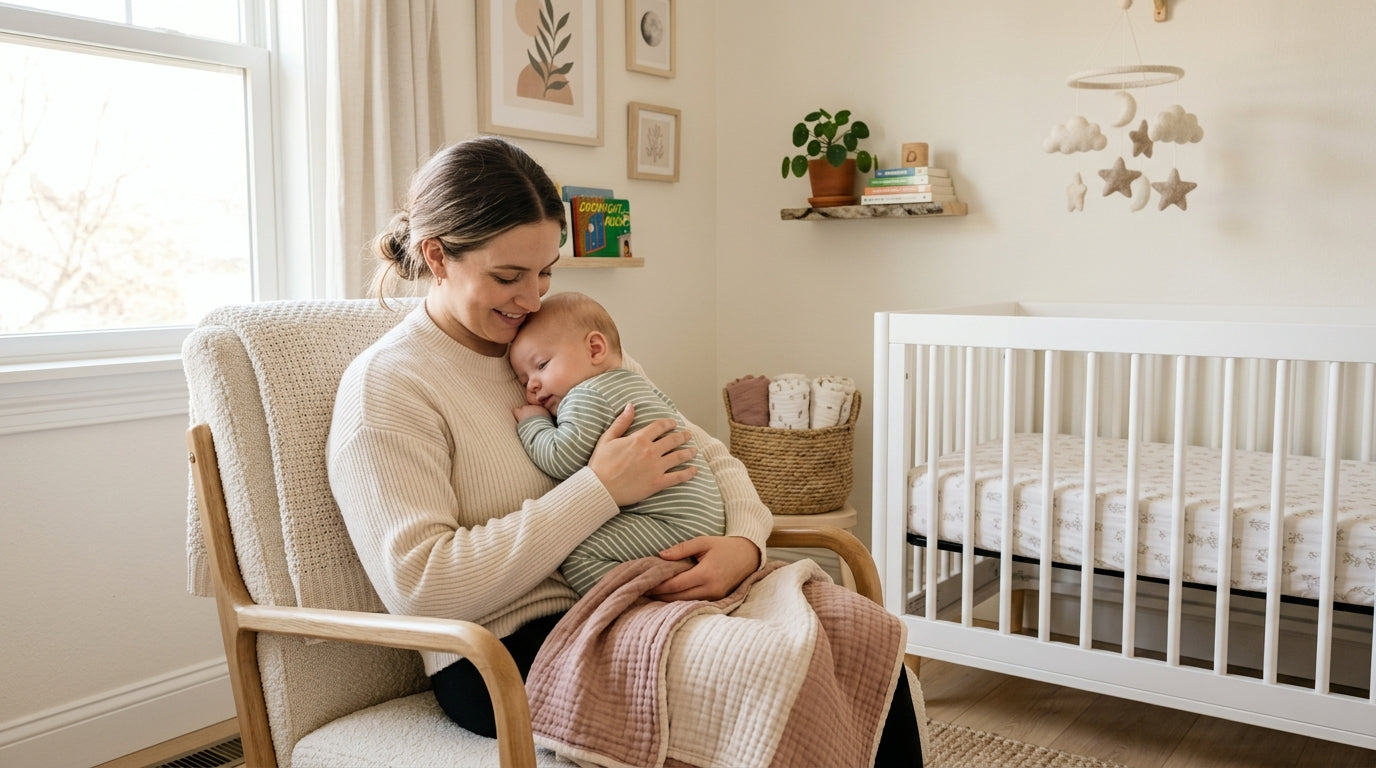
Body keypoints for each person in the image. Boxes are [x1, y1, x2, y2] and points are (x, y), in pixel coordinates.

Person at [325, 135, 922, 765]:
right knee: (771, 669)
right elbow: (420, 586)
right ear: (437, 256)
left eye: (546, 271)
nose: (531, 299)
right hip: (505, 650)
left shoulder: (563, 345)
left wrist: (743, 544)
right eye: (507, 276)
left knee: (862, 637)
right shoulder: (389, 387)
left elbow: (708, 455)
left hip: (638, 594)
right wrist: (600, 490)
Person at [509, 291, 726, 595]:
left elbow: (560, 458)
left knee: (579, 557)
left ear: (595, 349)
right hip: (705, 516)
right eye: (523, 380)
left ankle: (651, 599)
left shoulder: (585, 395)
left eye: (542, 365)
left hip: (669, 522)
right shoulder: (633, 383)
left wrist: (534, 423)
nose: (532, 384)